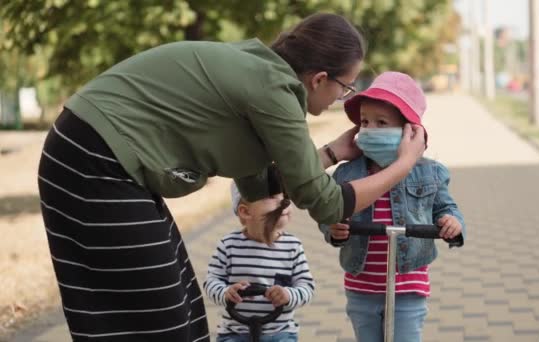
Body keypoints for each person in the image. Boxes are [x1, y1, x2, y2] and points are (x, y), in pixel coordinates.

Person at [37, 13, 426, 341]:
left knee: (185, 309)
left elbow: (262, 185)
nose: (342, 99)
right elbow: (325, 203)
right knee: (158, 316)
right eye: (346, 88)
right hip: (92, 159)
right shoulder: (275, 89)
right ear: (319, 78)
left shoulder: (261, 69)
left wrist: (332, 153)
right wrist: (402, 166)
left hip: (101, 156)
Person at [319, 72, 466, 342]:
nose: (370, 129)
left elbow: (446, 208)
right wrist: (333, 228)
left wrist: (451, 223)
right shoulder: (348, 174)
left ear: (409, 130)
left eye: (381, 122)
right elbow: (329, 212)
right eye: (364, 122)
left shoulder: (429, 173)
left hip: (408, 286)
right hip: (361, 286)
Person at [204, 179, 313, 342]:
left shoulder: (292, 246)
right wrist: (225, 292)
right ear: (245, 212)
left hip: (280, 332)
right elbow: (211, 281)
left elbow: (307, 287)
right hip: (235, 331)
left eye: (284, 195)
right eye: (271, 197)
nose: (283, 201)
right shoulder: (228, 245)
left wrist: (288, 295)